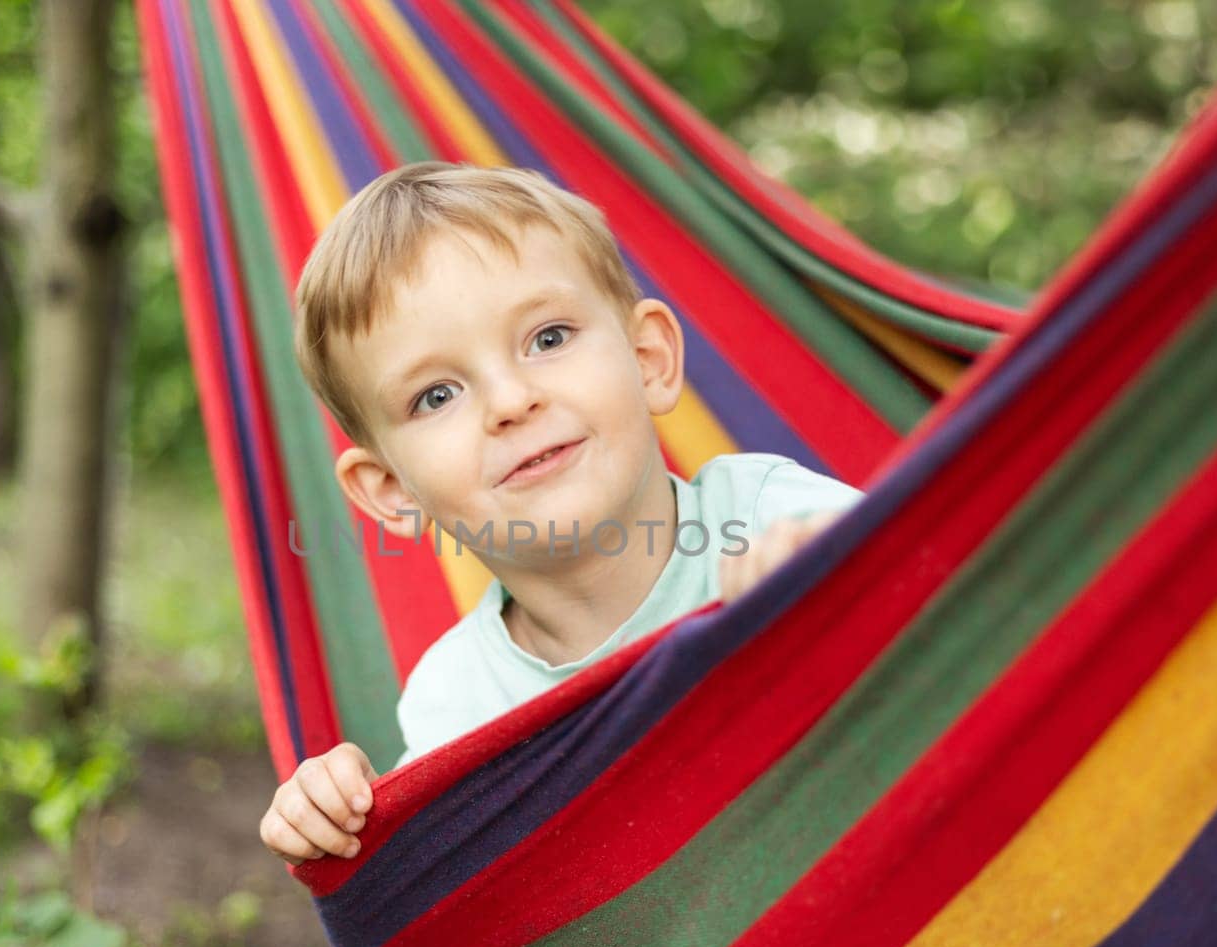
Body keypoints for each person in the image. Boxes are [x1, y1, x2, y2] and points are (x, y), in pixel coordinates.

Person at [258, 162, 861, 865]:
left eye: (548, 338)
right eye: (437, 395)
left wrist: (839, 581)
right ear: (392, 488)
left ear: (648, 358)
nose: (511, 401)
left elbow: (935, 594)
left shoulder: (769, 515)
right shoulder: (461, 703)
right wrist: (336, 822)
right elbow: (453, 907)